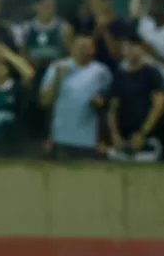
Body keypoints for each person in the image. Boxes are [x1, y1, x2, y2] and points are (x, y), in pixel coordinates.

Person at [39, 32, 113, 160]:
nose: (84, 50)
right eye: (80, 46)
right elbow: (44, 101)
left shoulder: (102, 72)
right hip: (61, 138)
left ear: (94, 49)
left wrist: (101, 102)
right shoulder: (57, 67)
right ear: (72, 48)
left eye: (88, 46)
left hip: (89, 140)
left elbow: (110, 104)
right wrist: (57, 79)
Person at [106, 33, 164, 162]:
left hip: (147, 141)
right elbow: (112, 108)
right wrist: (114, 134)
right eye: (126, 47)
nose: (130, 51)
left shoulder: (152, 74)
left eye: (134, 47)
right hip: (122, 142)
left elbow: (159, 106)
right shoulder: (119, 76)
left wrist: (142, 133)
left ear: (141, 49)